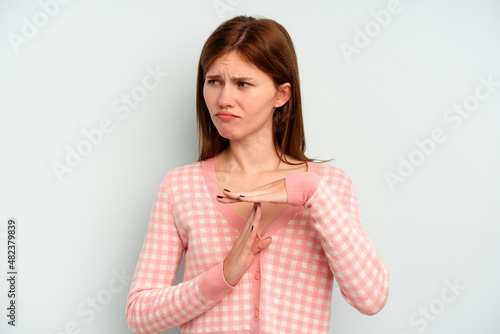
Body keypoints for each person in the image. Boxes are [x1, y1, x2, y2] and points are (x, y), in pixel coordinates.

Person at [126, 15, 389, 334]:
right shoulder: (180, 186)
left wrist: (311, 193)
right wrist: (222, 274)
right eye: (214, 81)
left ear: (282, 95)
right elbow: (140, 316)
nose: (224, 99)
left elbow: (370, 298)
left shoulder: (329, 186)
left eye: (243, 83)